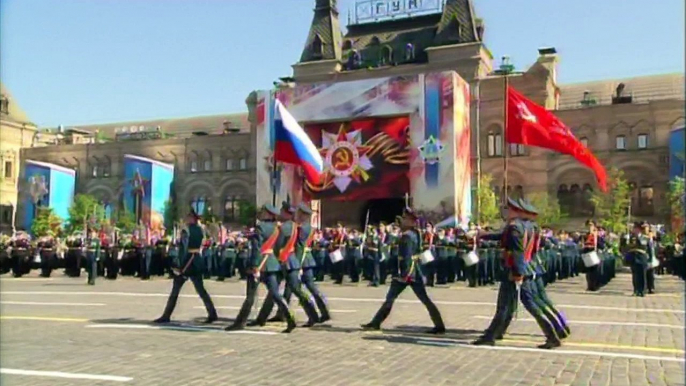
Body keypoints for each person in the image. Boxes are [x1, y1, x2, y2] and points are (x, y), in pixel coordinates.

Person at [472, 197, 562, 349]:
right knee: (509, 305)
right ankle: (493, 334)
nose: (506, 213)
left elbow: (517, 251)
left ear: (517, 212)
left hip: (515, 270)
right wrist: (483, 235)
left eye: (509, 210)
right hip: (525, 268)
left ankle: (552, 336)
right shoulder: (530, 226)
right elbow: (504, 238)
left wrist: (517, 272)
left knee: (523, 304)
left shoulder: (514, 227)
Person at [361, 208, 445, 334]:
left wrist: (404, 274)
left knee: (396, 298)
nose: (403, 221)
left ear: (411, 221)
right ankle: (376, 322)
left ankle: (439, 326)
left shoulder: (407, 236)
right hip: (413, 271)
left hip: (407, 272)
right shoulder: (415, 233)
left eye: (405, 219)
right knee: (395, 298)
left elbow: (405, 257)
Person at [226, 204, 296, 333]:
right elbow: (279, 245)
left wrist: (253, 266)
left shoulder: (260, 227)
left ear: (268, 214)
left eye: (263, 212)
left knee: (250, 296)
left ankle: (240, 322)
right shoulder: (277, 228)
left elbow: (256, 249)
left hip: (259, 264)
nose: (262, 213)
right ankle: (290, 318)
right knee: (275, 294)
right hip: (272, 263)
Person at [254, 202, 320, 327]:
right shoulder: (290, 226)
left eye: (282, 211)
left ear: (286, 213)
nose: (279, 213)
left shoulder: (285, 227)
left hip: (286, 261)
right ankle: (263, 318)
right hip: (285, 261)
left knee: (294, 290)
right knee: (274, 291)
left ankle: (313, 315)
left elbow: (281, 246)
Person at [154, 208, 218, 324]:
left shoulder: (186, 230)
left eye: (188, 217)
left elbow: (183, 248)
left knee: (175, 290)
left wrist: (179, 264)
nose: (186, 218)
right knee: (201, 290)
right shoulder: (200, 230)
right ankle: (212, 313)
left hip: (187, 262)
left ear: (192, 218)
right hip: (197, 260)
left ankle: (166, 315)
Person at [626, 222, 649, 297]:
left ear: (638, 229)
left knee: (642, 274)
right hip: (633, 256)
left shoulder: (644, 237)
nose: (633, 230)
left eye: (635, 228)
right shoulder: (631, 237)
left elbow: (643, 244)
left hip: (641, 256)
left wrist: (638, 237)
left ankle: (642, 291)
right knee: (635, 275)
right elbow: (628, 246)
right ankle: (636, 290)